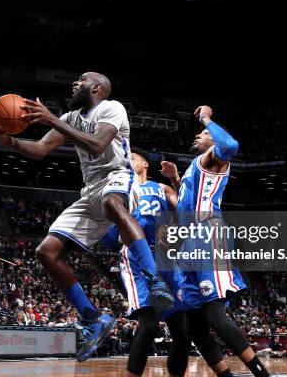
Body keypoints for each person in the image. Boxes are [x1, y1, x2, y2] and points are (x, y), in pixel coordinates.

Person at [0, 72, 173, 361]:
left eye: (81, 80)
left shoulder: (112, 108)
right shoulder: (71, 117)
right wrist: (10, 141)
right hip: (90, 191)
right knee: (46, 251)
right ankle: (93, 318)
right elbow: (40, 149)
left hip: (118, 178)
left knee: (113, 203)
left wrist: (53, 119)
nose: (74, 84)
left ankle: (154, 280)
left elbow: (98, 144)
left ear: (97, 88)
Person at [101, 148, 236, 377]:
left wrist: (174, 179)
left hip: (166, 258)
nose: (128, 161)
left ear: (145, 165)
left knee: (182, 332)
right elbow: (108, 235)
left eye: (132, 158)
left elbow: (186, 207)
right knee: (150, 325)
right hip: (136, 258)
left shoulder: (160, 189)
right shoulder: (119, 193)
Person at [170, 106, 272, 377]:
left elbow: (231, 144)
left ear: (212, 140)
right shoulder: (196, 166)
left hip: (208, 235)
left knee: (214, 313)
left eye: (203, 133)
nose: (198, 135)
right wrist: (175, 180)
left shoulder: (214, 157)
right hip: (189, 242)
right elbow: (190, 202)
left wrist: (207, 118)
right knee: (193, 325)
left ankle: (261, 374)